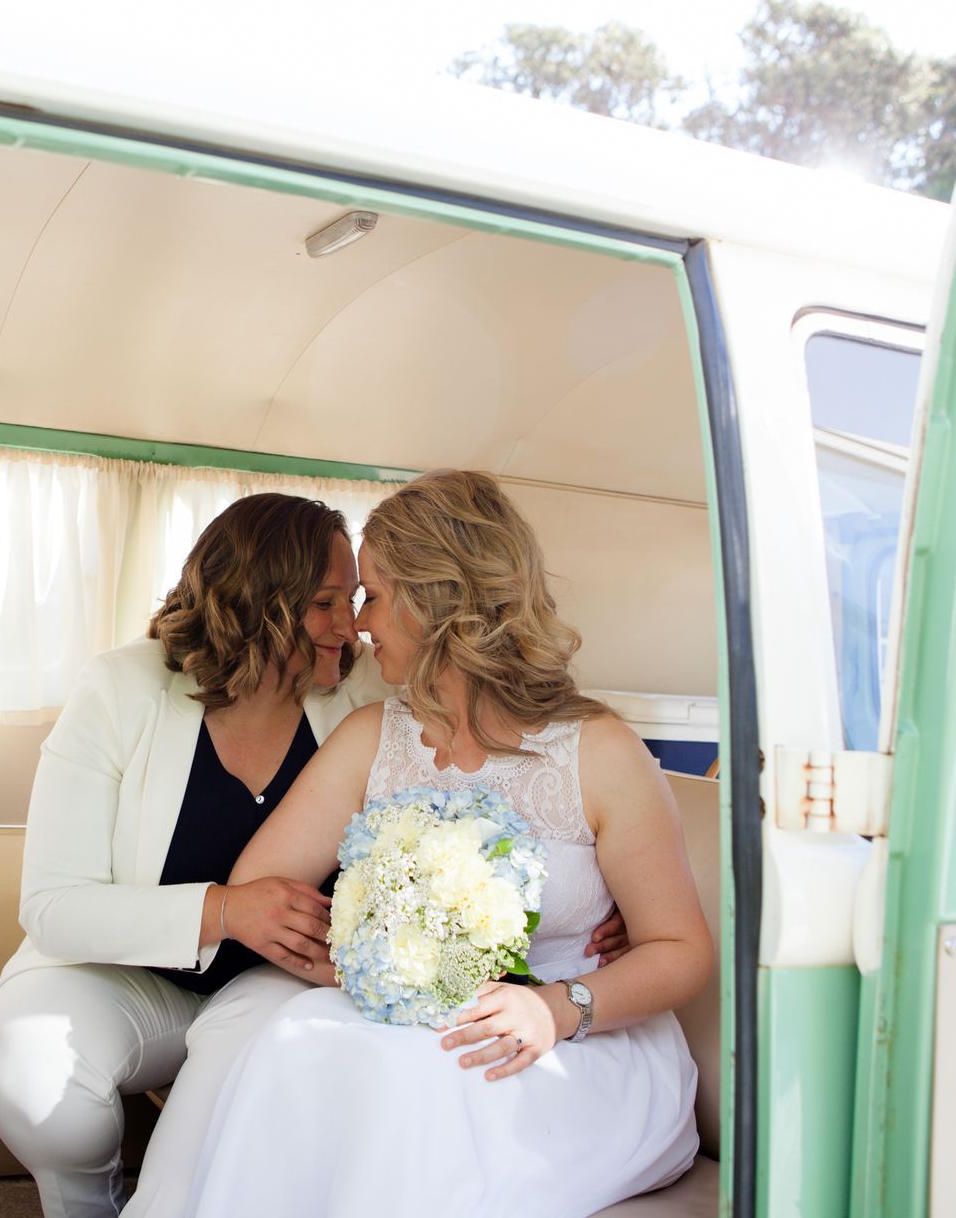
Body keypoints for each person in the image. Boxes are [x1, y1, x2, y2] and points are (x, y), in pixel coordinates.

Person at [0, 491, 626, 1218]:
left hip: (298, 974)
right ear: (258, 600)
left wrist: (588, 902)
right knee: (31, 1078)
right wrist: (224, 909)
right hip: (131, 979)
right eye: (326, 603)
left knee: (247, 1079)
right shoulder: (122, 690)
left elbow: (506, 736)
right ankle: (90, 1205)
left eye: (360, 599)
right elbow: (53, 907)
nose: (352, 628)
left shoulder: (371, 685)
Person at [184, 471, 712, 1218]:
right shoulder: (372, 739)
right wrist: (374, 974)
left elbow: (681, 949)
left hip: (572, 1041)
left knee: (412, 1085)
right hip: (408, 1023)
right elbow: (262, 890)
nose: (360, 622)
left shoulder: (599, 753)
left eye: (372, 594)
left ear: (438, 605)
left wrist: (560, 1007)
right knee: (295, 1039)